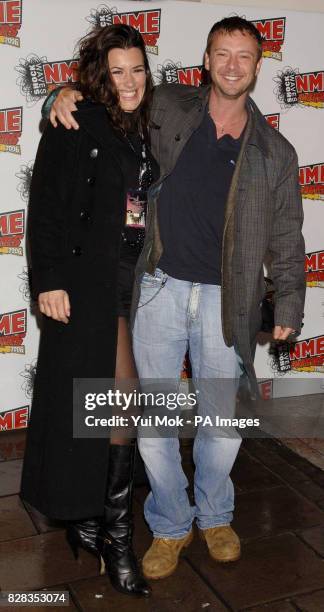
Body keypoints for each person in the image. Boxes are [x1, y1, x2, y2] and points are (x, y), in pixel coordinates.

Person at [47, 16, 305, 581]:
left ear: (259, 67)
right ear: (205, 61)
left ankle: (215, 516)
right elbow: (110, 98)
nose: (232, 65)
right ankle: (168, 523)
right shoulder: (166, 108)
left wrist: (288, 305)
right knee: (155, 422)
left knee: (220, 421)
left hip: (226, 299)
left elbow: (288, 235)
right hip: (159, 288)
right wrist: (61, 94)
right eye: (222, 53)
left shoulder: (276, 152)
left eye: (244, 56)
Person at [20, 24, 160, 597]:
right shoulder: (76, 119)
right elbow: (46, 204)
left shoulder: (150, 122)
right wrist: (47, 278)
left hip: (141, 278)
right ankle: (118, 537)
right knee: (116, 398)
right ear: (101, 75)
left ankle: (91, 521)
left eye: (138, 70)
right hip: (87, 281)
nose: (130, 82)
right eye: (118, 71)